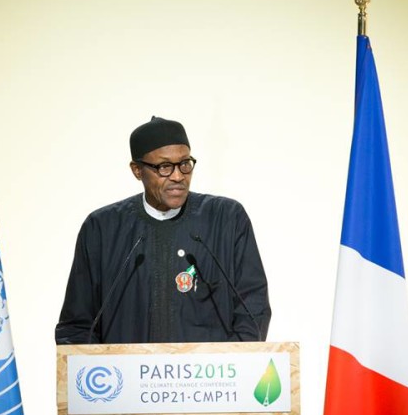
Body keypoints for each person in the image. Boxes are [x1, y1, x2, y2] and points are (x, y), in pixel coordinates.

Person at [55, 116, 271, 345]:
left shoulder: (226, 219)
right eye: (164, 167)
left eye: (185, 164)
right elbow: (77, 326)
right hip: (126, 379)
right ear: (137, 170)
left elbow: (253, 311)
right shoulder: (102, 228)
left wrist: (232, 369)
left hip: (210, 378)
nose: (178, 176)